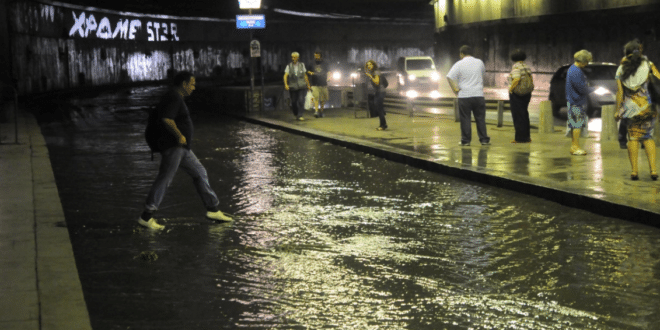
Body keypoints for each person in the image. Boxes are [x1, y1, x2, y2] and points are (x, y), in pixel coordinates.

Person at [138, 71, 232, 230]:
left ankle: (213, 210)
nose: (194, 88)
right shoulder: (174, 97)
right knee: (165, 179)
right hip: (174, 147)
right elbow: (167, 119)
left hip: (182, 149)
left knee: (200, 172)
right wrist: (180, 135)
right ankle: (146, 217)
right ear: (184, 84)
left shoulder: (174, 97)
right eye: (192, 84)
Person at [615, 40, 659, 180]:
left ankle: (634, 172)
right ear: (639, 52)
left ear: (626, 54)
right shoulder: (648, 65)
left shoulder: (621, 69)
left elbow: (620, 93)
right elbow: (658, 80)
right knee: (648, 138)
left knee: (633, 138)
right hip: (647, 107)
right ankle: (653, 171)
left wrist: (618, 110)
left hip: (630, 110)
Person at [447, 45, 490, 146]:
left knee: (465, 118)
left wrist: (455, 90)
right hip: (478, 95)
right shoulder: (479, 62)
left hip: (464, 96)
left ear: (461, 54)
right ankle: (484, 140)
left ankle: (466, 141)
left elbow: (449, 77)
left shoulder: (459, 64)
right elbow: (482, 73)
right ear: (471, 53)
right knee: (480, 118)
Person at [565, 49, 592, 156]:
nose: (587, 64)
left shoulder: (572, 69)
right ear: (582, 61)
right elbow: (582, 88)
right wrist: (593, 89)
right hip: (576, 102)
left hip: (573, 101)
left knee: (574, 124)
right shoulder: (576, 71)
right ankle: (575, 147)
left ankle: (574, 146)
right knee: (577, 125)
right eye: (587, 61)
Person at [507, 49, 534, 143]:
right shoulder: (527, 67)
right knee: (524, 114)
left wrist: (511, 89)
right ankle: (527, 137)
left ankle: (519, 138)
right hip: (527, 93)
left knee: (518, 115)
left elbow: (516, 79)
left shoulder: (516, 67)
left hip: (517, 93)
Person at [283, 52, 311, 121]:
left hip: (301, 86)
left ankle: (300, 115)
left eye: (294, 57)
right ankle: (296, 113)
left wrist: (308, 85)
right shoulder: (289, 66)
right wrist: (286, 84)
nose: (293, 59)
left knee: (301, 100)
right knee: (294, 102)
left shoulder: (302, 65)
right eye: (292, 57)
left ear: (298, 58)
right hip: (293, 87)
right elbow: (285, 75)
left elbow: (305, 75)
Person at [365, 60, 387, 130]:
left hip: (380, 91)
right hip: (378, 91)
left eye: (370, 65)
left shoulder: (376, 72)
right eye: (368, 65)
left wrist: (370, 76)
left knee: (379, 108)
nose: (369, 66)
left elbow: (377, 82)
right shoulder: (373, 72)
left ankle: (383, 125)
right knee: (378, 107)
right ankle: (383, 123)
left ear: (373, 65)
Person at [307, 52, 330, 118]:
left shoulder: (325, 63)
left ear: (320, 56)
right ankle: (316, 111)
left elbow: (328, 72)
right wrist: (310, 73)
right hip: (314, 84)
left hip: (323, 83)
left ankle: (321, 111)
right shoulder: (311, 63)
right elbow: (307, 71)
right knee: (316, 98)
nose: (316, 57)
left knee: (323, 99)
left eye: (317, 56)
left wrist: (329, 77)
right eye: (315, 56)